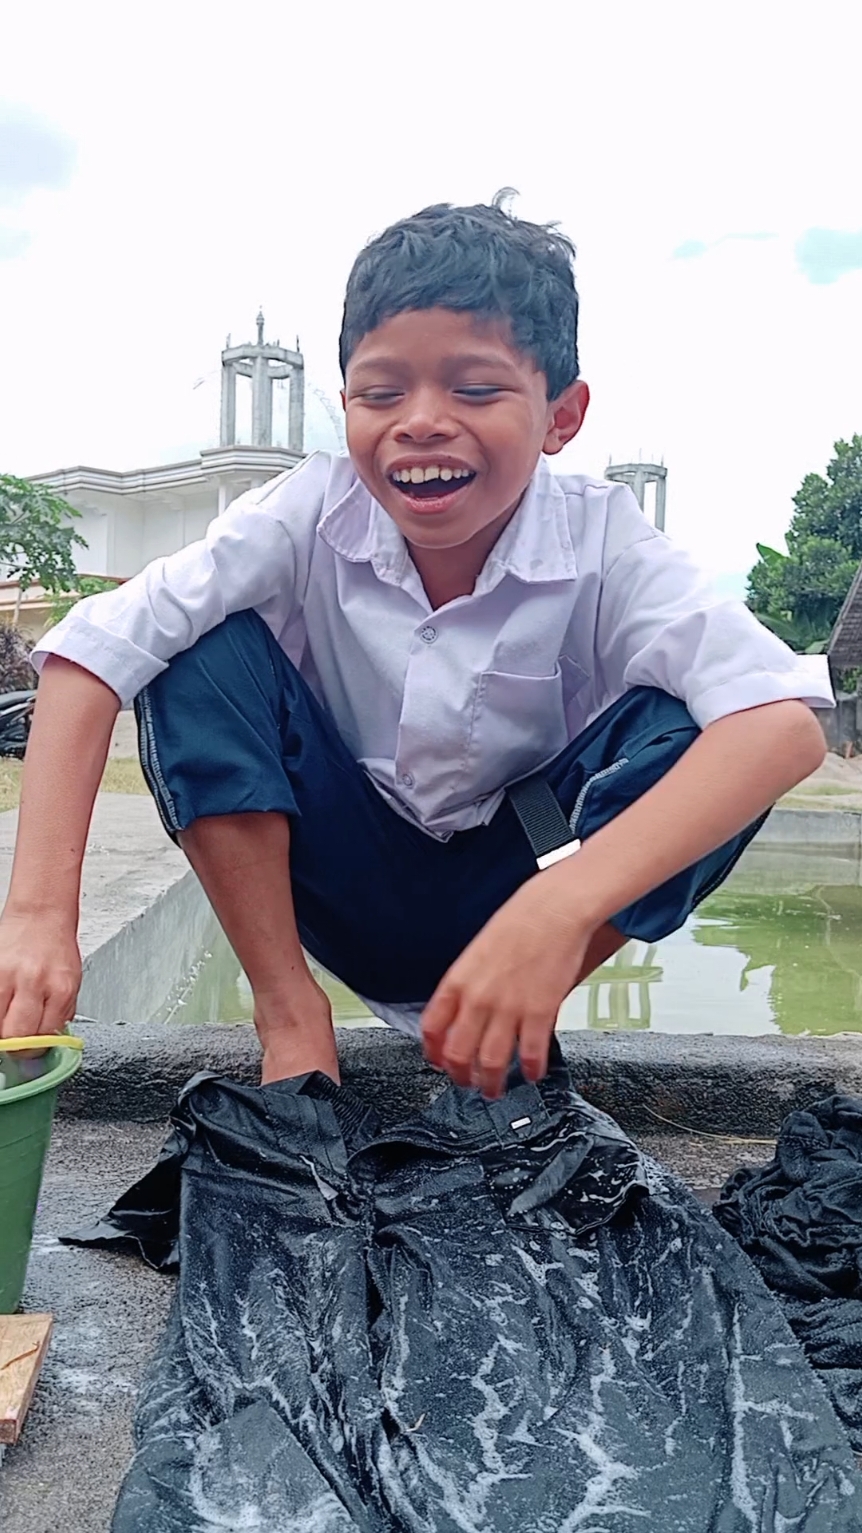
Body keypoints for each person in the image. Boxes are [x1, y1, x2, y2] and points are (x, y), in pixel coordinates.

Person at [0, 198, 830, 1099]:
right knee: (198, 649)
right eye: (382, 391)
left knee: (709, 725)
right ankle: (289, 1011)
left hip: (521, 891)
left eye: (475, 390)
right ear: (344, 399)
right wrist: (40, 916)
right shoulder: (304, 514)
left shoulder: (607, 543)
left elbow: (784, 729)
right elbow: (92, 657)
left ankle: (521, 1000)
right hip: (351, 875)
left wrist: (560, 907)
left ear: (562, 414)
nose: (422, 421)